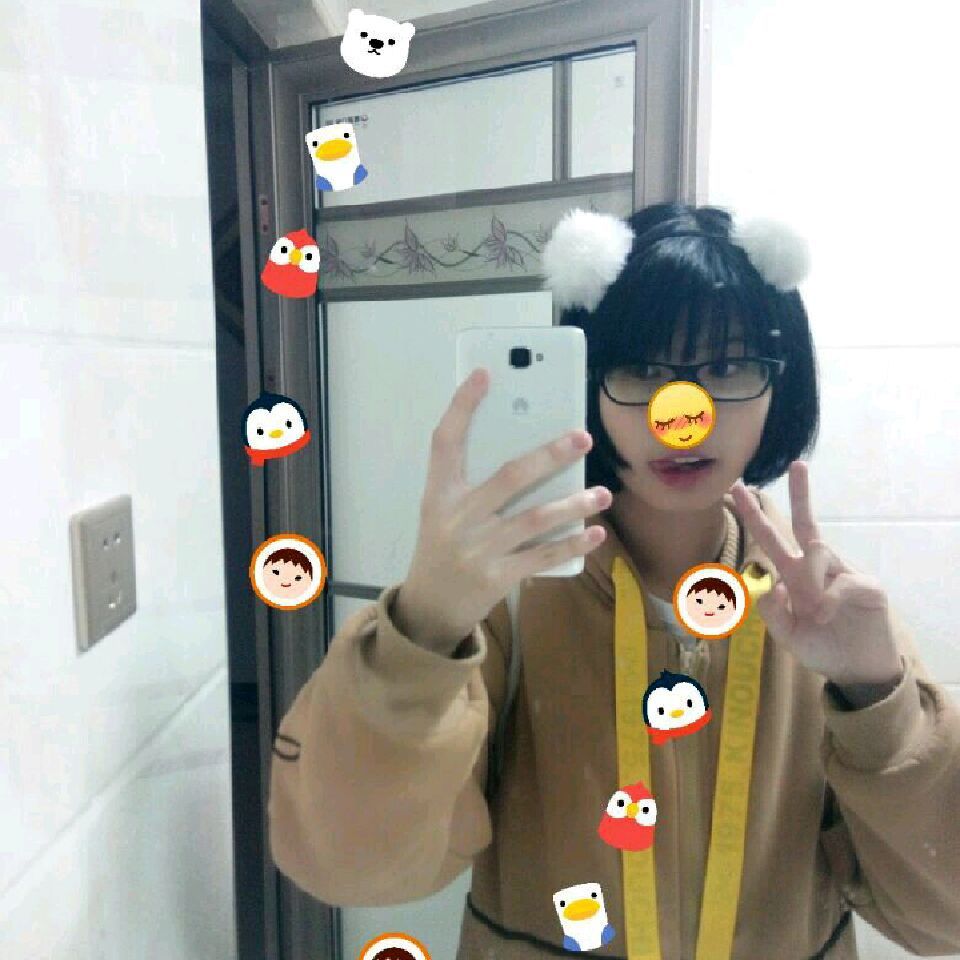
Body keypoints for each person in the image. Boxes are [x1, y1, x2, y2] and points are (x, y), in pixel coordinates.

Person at [267, 202, 960, 959]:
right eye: (643, 370)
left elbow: (943, 918)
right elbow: (348, 866)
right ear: (587, 382)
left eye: (727, 367)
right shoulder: (507, 603)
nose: (681, 415)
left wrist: (878, 702)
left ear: (779, 385)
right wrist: (421, 636)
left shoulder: (827, 615)